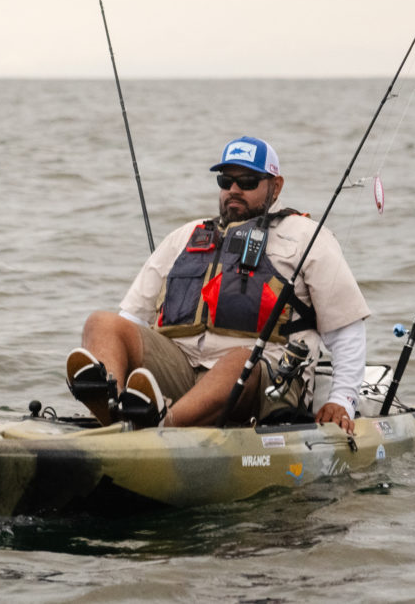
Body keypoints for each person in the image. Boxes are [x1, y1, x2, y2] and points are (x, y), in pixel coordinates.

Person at [66, 136, 370, 432]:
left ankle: (162, 427)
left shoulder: (308, 237)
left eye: (248, 181)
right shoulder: (184, 237)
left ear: (275, 187)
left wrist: (342, 399)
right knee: (102, 324)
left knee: (239, 360)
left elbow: (346, 329)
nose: (234, 190)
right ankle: (114, 410)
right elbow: (131, 319)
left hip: (263, 379)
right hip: (183, 370)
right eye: (226, 181)